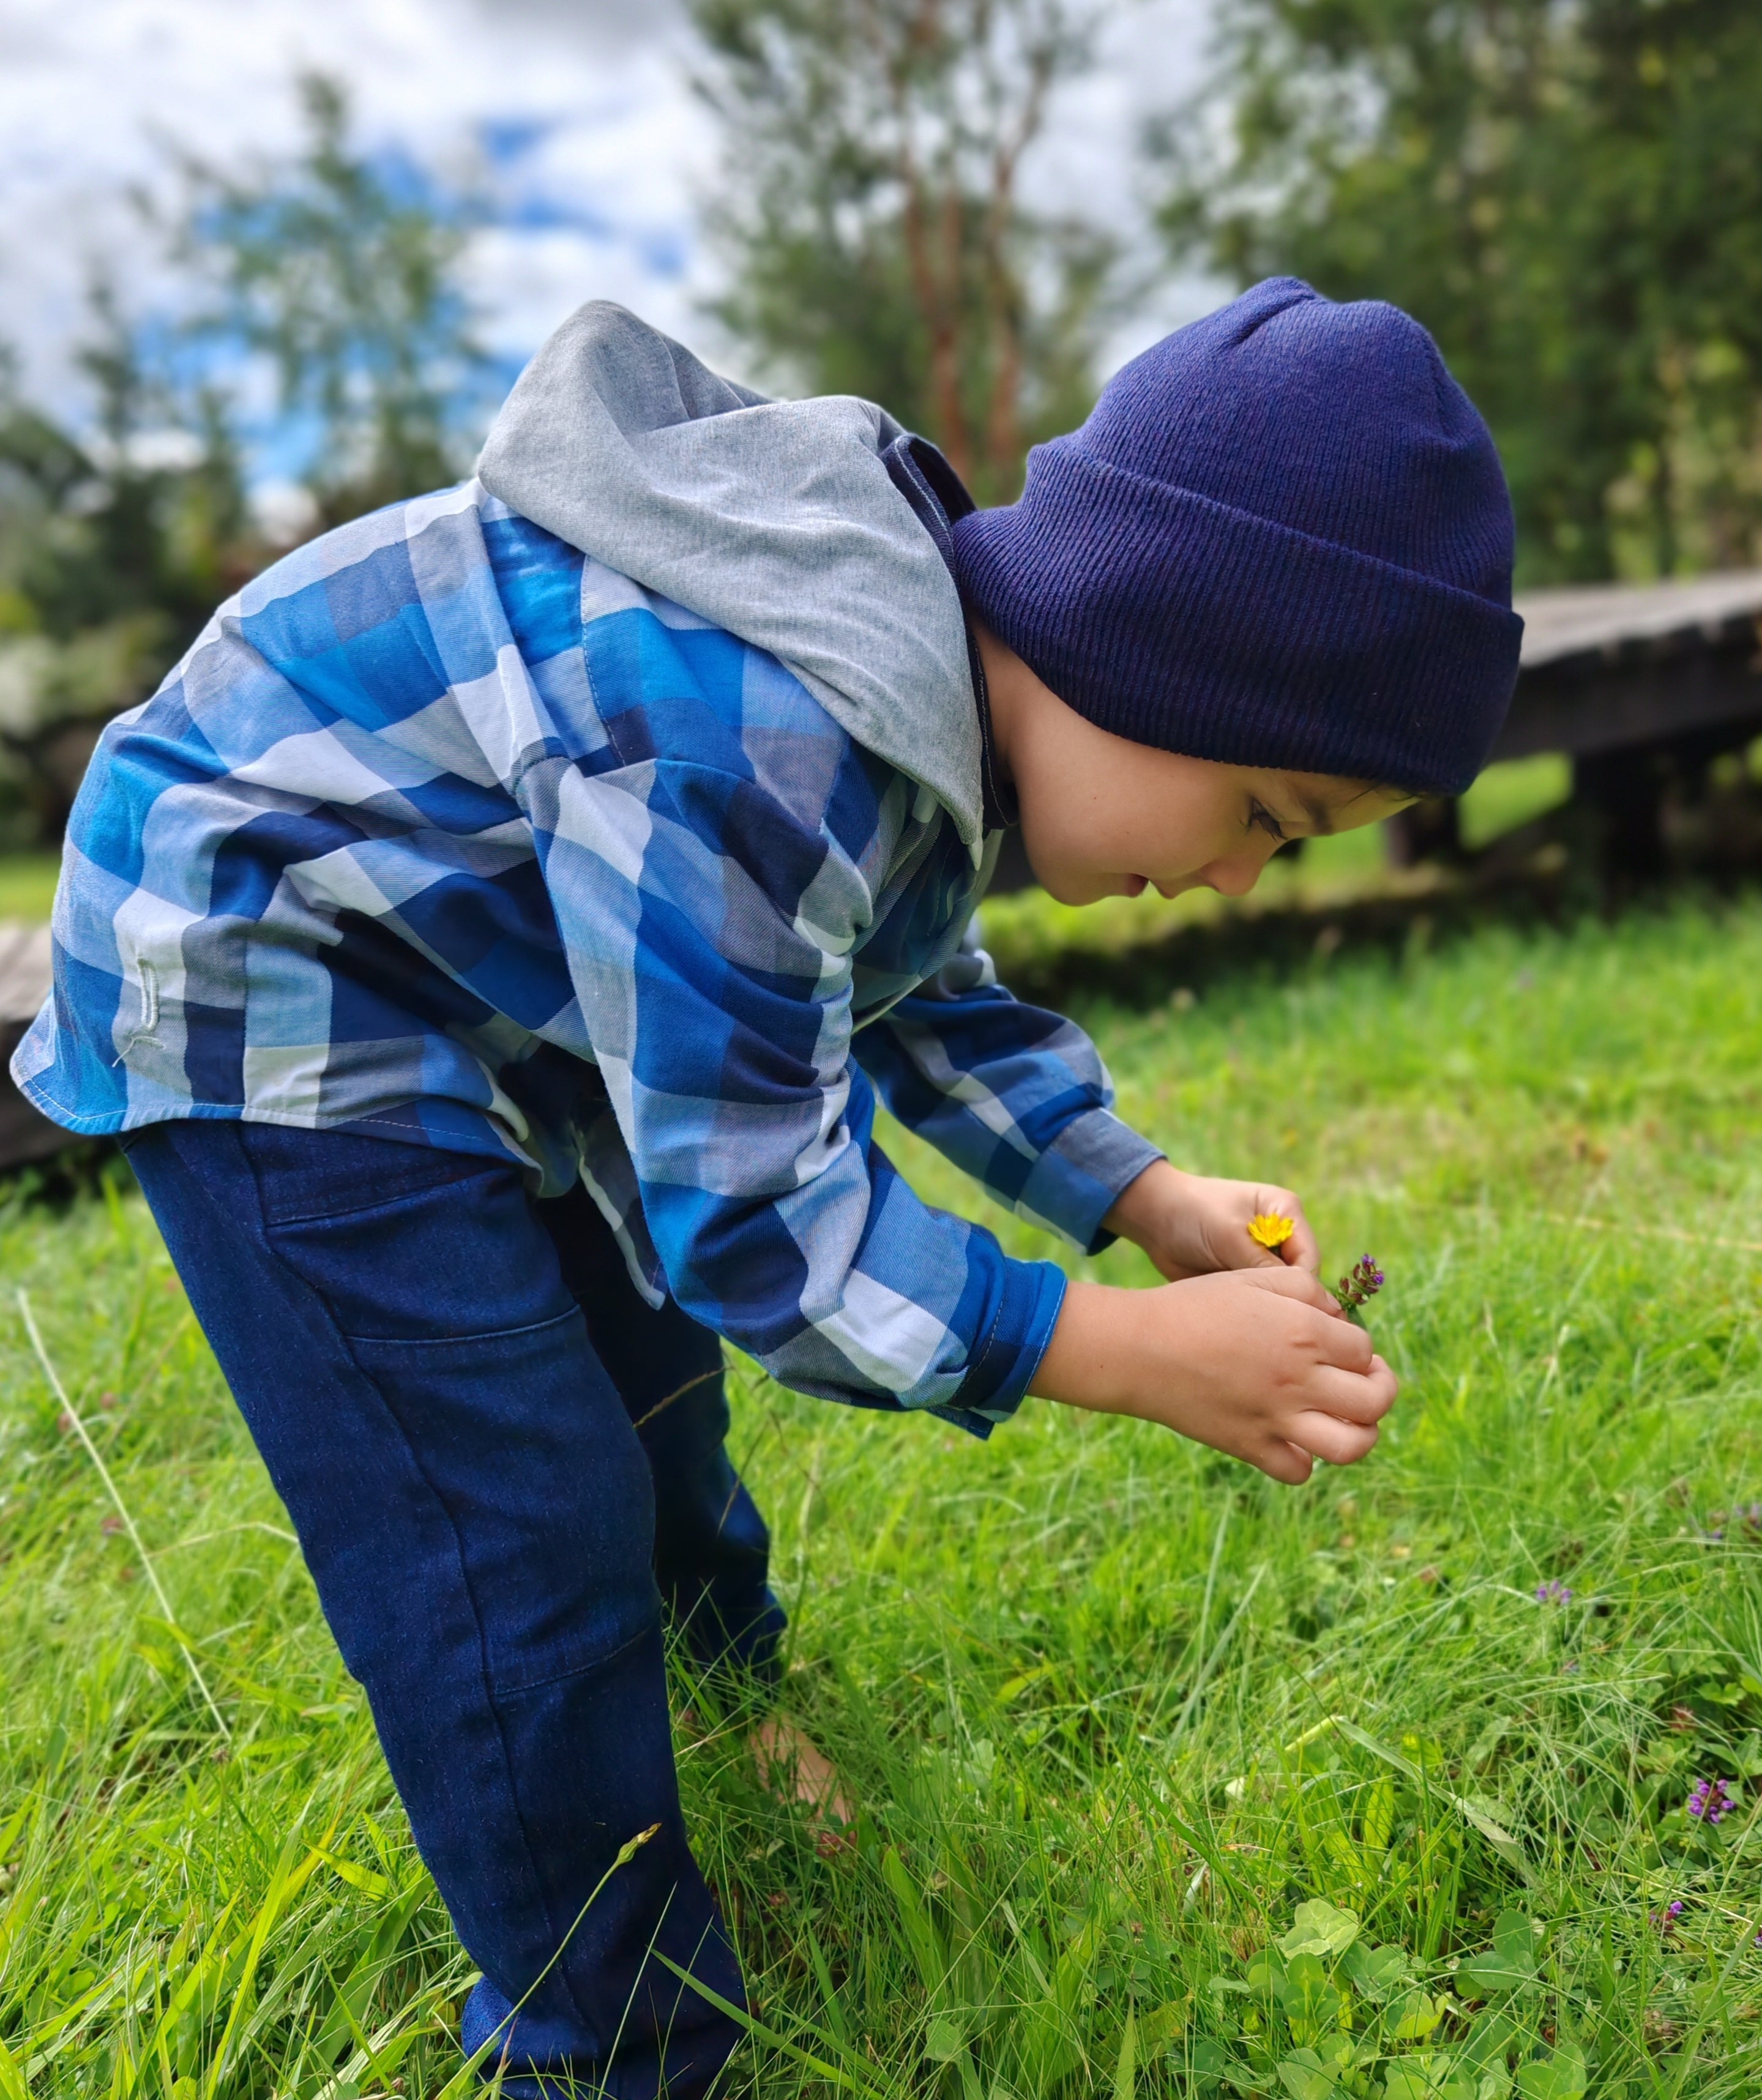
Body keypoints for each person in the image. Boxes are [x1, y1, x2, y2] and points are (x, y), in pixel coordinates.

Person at [11, 275, 1521, 2098]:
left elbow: (914, 989)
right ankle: (611, 2047)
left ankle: (721, 1703)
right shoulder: (767, 718)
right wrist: (1112, 1348)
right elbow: (761, 1230)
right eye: (1268, 816)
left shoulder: (917, 702)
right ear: (1148, 651)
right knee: (509, 1512)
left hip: (486, 975)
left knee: (647, 1385)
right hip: (266, 946)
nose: (1243, 886)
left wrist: (1142, 1191)